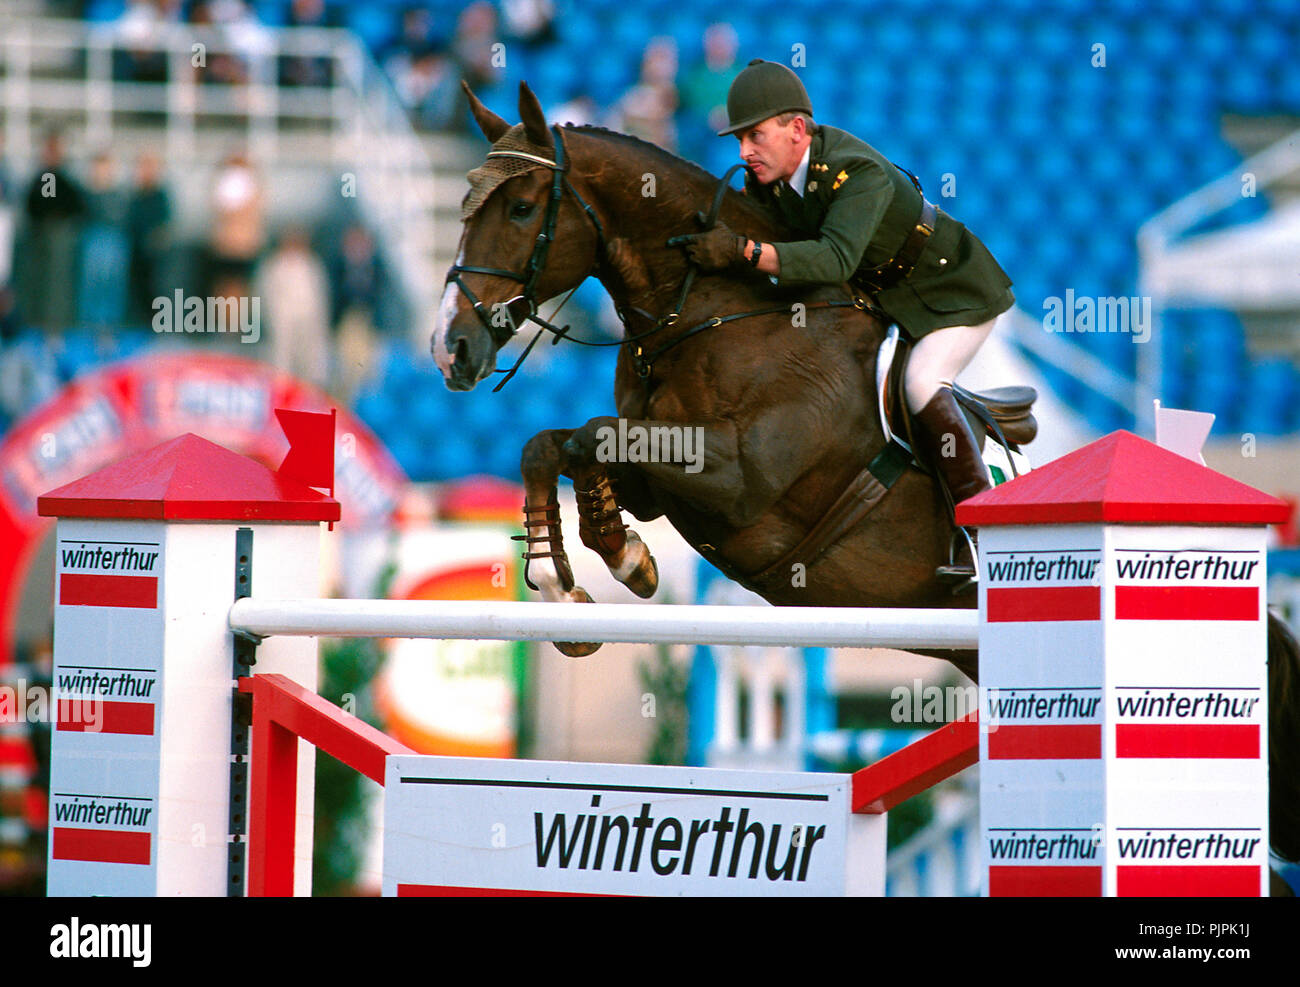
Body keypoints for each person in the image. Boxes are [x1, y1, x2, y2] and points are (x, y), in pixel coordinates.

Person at [671, 59, 1014, 535]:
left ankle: (982, 527)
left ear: (795, 129)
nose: (745, 150)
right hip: (886, 294)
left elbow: (833, 262)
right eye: (740, 140)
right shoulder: (773, 177)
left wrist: (744, 251)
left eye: (755, 136)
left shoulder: (856, 172)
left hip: (953, 292)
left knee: (921, 382)